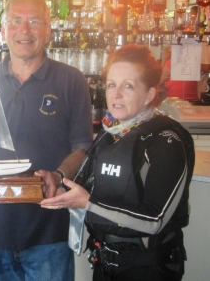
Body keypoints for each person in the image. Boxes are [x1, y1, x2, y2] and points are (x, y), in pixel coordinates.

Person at [41, 44, 195, 281]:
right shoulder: (109, 133)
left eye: (128, 86)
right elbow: (85, 186)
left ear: (150, 95)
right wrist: (60, 189)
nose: (116, 94)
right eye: (112, 85)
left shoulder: (166, 142)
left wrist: (88, 203)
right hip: (106, 265)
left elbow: (154, 221)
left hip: (147, 270)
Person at [0, 0, 93, 281]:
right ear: (3, 30)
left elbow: (82, 147)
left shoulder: (71, 80)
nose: (25, 30)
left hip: (49, 232)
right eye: (16, 21)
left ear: (48, 31)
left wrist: (56, 176)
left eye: (34, 21)